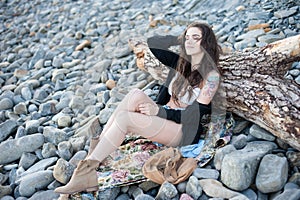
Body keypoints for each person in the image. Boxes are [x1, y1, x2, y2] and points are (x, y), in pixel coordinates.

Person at [54, 22, 222, 194]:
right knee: (135, 94)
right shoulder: (182, 62)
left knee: (125, 119)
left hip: (184, 130)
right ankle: (94, 154)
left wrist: (160, 112)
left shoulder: (211, 76)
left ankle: (86, 174)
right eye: (187, 38)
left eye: (196, 38)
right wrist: (179, 39)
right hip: (165, 117)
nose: (190, 42)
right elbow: (153, 43)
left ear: (206, 43)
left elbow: (197, 114)